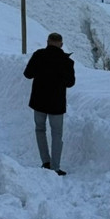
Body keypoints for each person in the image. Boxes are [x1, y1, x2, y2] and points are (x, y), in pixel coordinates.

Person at [23, 32, 75, 176]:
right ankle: (55, 167)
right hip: (56, 104)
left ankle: (45, 162)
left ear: (47, 42)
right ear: (61, 44)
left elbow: (27, 74)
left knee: (40, 130)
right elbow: (70, 83)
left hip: (38, 101)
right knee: (57, 134)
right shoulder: (67, 61)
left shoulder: (38, 55)